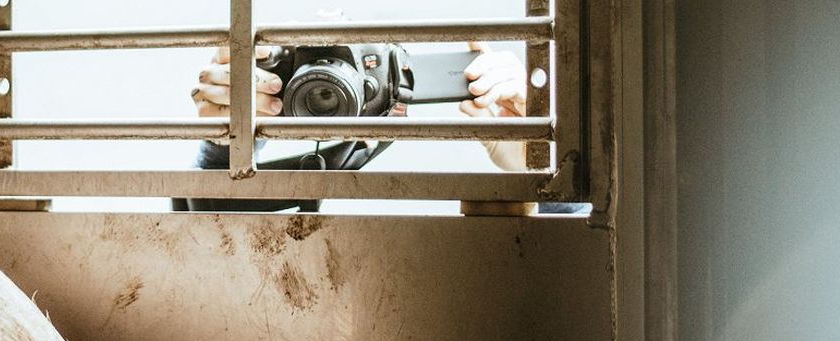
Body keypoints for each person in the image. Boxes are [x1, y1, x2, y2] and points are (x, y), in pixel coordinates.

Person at [178, 42, 589, 214]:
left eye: (366, 58)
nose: (328, 90)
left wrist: (537, 168)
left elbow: (584, 264)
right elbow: (204, 235)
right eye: (312, 54)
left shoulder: (463, 121)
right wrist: (225, 145)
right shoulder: (265, 101)